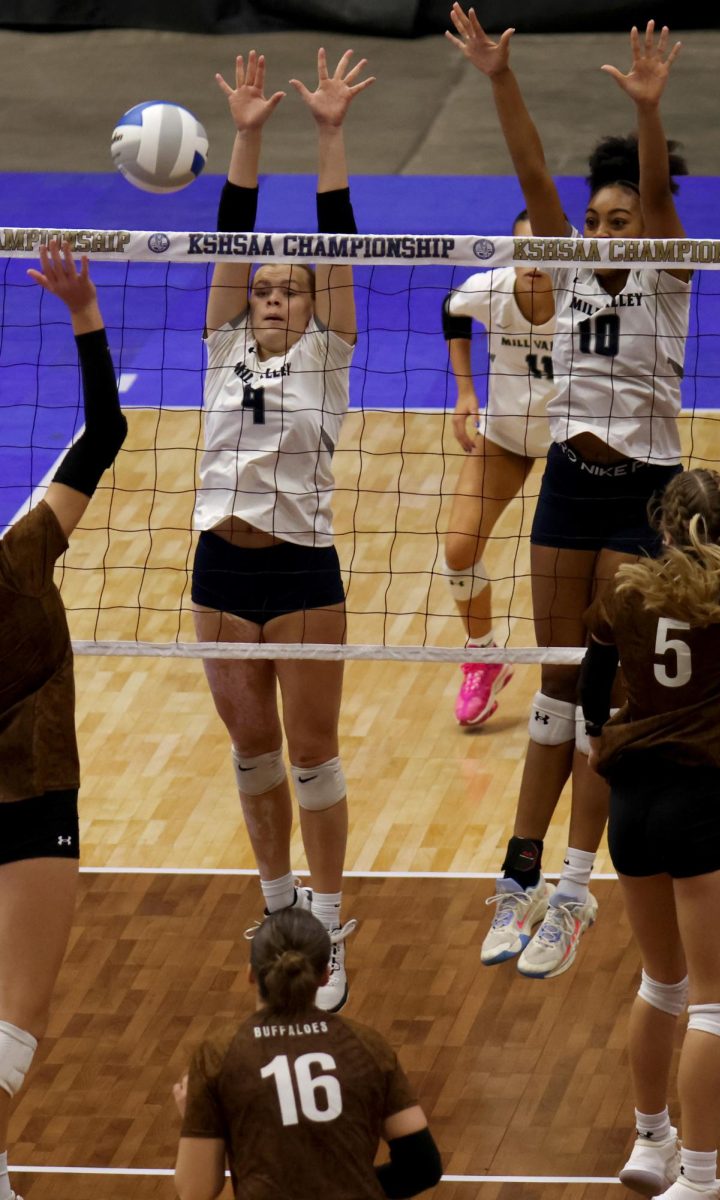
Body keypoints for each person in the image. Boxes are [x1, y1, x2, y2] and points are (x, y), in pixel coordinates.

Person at [447, 7, 692, 978]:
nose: (597, 230)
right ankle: (516, 876)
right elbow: (531, 178)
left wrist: (645, 109)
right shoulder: (568, 263)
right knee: (553, 680)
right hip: (566, 485)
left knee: (606, 695)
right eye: (592, 219)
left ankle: (574, 891)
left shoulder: (668, 269)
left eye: (615, 218)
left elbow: (657, 197)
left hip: (642, 496)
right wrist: (497, 81)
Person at [579, 374, 720, 1199]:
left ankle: (649, 1144)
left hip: (631, 806)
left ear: (660, 528)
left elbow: (591, 703)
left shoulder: (624, 595)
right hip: (703, 806)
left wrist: (615, 744)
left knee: (659, 984)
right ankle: (699, 1182)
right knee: (716, 1005)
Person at [191, 49, 373, 1014]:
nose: (272, 294)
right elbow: (231, 234)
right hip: (219, 569)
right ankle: (275, 908)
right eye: (262, 286)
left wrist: (328, 132)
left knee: (313, 754)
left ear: (311, 306)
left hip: (303, 571)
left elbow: (337, 243)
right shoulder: (221, 347)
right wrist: (247, 134)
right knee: (252, 749)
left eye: (289, 288)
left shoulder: (329, 359)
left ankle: (330, 918)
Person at [0, 240, 127, 1200]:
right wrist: (84, 314)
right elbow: (104, 431)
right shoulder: (22, 556)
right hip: (35, 799)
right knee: (19, 1010)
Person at [172, 906, 443, 1200]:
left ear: (250, 973)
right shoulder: (367, 1044)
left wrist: (198, 1119)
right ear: (326, 975)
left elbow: (195, 1191)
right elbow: (422, 1166)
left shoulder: (218, 1055)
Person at [442, 212, 557, 727]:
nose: (532, 260)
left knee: (567, 571)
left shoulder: (585, 294)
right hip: (505, 436)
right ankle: (484, 655)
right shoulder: (489, 289)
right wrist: (466, 391)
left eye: (544, 248)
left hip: (572, 443)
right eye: (522, 249)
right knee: (459, 550)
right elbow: (451, 310)